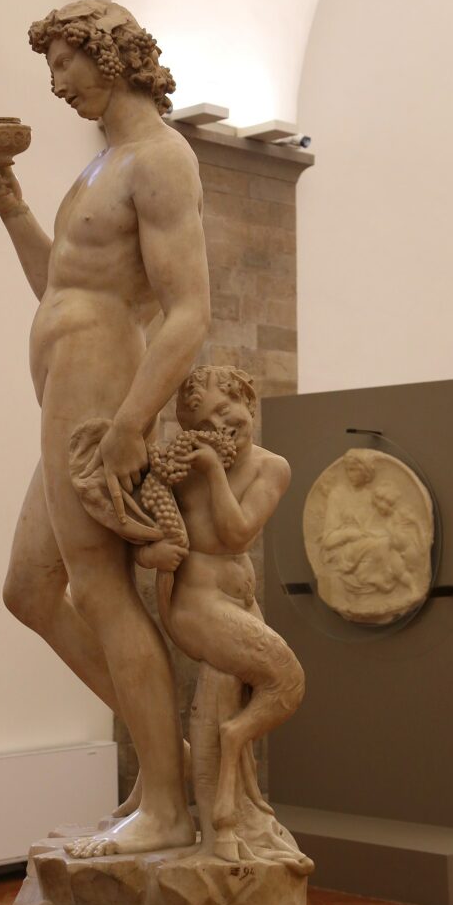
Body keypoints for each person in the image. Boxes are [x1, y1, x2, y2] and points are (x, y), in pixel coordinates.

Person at [0, 0, 210, 858]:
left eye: (66, 62)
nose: (57, 83)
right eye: (51, 68)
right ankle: (172, 766)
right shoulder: (100, 167)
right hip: (67, 379)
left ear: (111, 56)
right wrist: (11, 208)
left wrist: (134, 420)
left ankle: (166, 807)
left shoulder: (162, 158)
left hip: (102, 381)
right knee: (29, 590)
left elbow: (189, 310)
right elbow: (59, 286)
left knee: (99, 588)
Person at [136, 366, 308, 867]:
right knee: (287, 682)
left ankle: (233, 821)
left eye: (225, 409)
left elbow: (241, 531)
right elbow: (144, 539)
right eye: (203, 423)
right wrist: (152, 554)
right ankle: (230, 752)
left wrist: (213, 471)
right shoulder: (184, 469)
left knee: (234, 690)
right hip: (196, 604)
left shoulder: (271, 468)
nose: (218, 426)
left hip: (239, 603)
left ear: (247, 401)